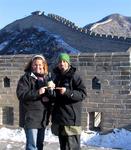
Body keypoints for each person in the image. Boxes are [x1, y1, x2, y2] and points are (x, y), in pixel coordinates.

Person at [16, 54, 55, 150]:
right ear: (31, 65)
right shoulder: (25, 78)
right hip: (31, 117)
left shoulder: (46, 79)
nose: (38, 67)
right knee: (32, 146)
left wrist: (51, 94)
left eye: (40, 64)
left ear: (44, 65)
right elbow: (21, 95)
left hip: (42, 118)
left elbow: (51, 98)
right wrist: (38, 92)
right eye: (35, 64)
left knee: (39, 145)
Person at [50, 53, 87, 150]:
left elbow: (82, 94)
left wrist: (67, 92)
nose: (62, 64)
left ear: (68, 63)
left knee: (73, 147)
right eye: (60, 62)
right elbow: (55, 96)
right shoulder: (56, 76)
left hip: (71, 118)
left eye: (64, 61)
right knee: (63, 147)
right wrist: (51, 91)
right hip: (60, 118)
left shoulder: (75, 76)